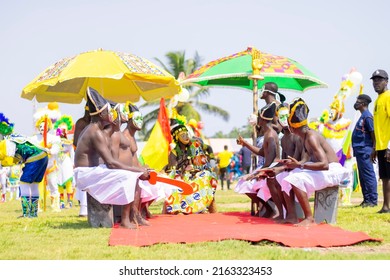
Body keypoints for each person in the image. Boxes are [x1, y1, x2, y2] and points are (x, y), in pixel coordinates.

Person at [73, 87, 150, 229]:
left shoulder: (97, 129)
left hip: (92, 171)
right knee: (129, 176)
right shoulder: (95, 131)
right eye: (109, 111)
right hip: (85, 174)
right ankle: (125, 220)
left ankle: (130, 216)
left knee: (130, 174)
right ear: (102, 113)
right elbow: (111, 163)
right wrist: (136, 170)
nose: (111, 114)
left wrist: (138, 168)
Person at [277, 97, 350, 226]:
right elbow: (305, 160)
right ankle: (292, 215)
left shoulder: (311, 137)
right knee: (283, 176)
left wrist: (300, 165)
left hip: (333, 170)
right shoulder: (304, 137)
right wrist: (293, 165)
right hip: (322, 169)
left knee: (295, 178)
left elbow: (324, 165)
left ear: (293, 128)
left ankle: (309, 218)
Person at [236, 102, 282, 218]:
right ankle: (268, 209)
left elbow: (270, 161)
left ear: (262, 119)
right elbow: (262, 152)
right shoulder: (267, 133)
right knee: (243, 183)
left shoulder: (270, 135)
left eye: (258, 117)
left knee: (248, 182)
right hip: (266, 167)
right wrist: (245, 143)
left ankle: (273, 210)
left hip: (272, 169)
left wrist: (254, 175)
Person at [164, 117, 218, 214]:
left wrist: (212, 159)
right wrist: (184, 169)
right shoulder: (174, 153)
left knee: (207, 176)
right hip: (182, 175)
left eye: (186, 134)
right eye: (182, 135)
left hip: (196, 174)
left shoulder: (195, 143)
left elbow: (208, 148)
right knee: (177, 181)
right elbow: (173, 171)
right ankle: (179, 209)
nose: (186, 136)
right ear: (177, 138)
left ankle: (202, 207)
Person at [0, 134, 49, 218]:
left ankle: (26, 213)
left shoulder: (5, 144)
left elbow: (10, 160)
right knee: (34, 184)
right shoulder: (10, 141)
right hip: (44, 156)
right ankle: (33, 213)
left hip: (35, 157)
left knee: (23, 183)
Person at [351, 94, 377, 207]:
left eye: (358, 101)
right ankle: (366, 200)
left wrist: (374, 149)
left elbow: (373, 133)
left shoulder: (367, 117)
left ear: (364, 104)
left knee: (368, 175)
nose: (356, 103)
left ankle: (372, 200)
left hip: (366, 150)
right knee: (362, 176)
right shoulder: (362, 116)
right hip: (360, 151)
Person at [371, 69, 390, 214]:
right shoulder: (378, 100)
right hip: (381, 145)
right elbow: (378, 127)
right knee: (384, 177)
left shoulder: (388, 97)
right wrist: (375, 148)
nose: (376, 83)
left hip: (388, 145)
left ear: (386, 81)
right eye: (374, 80)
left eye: (379, 80)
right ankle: (386, 206)